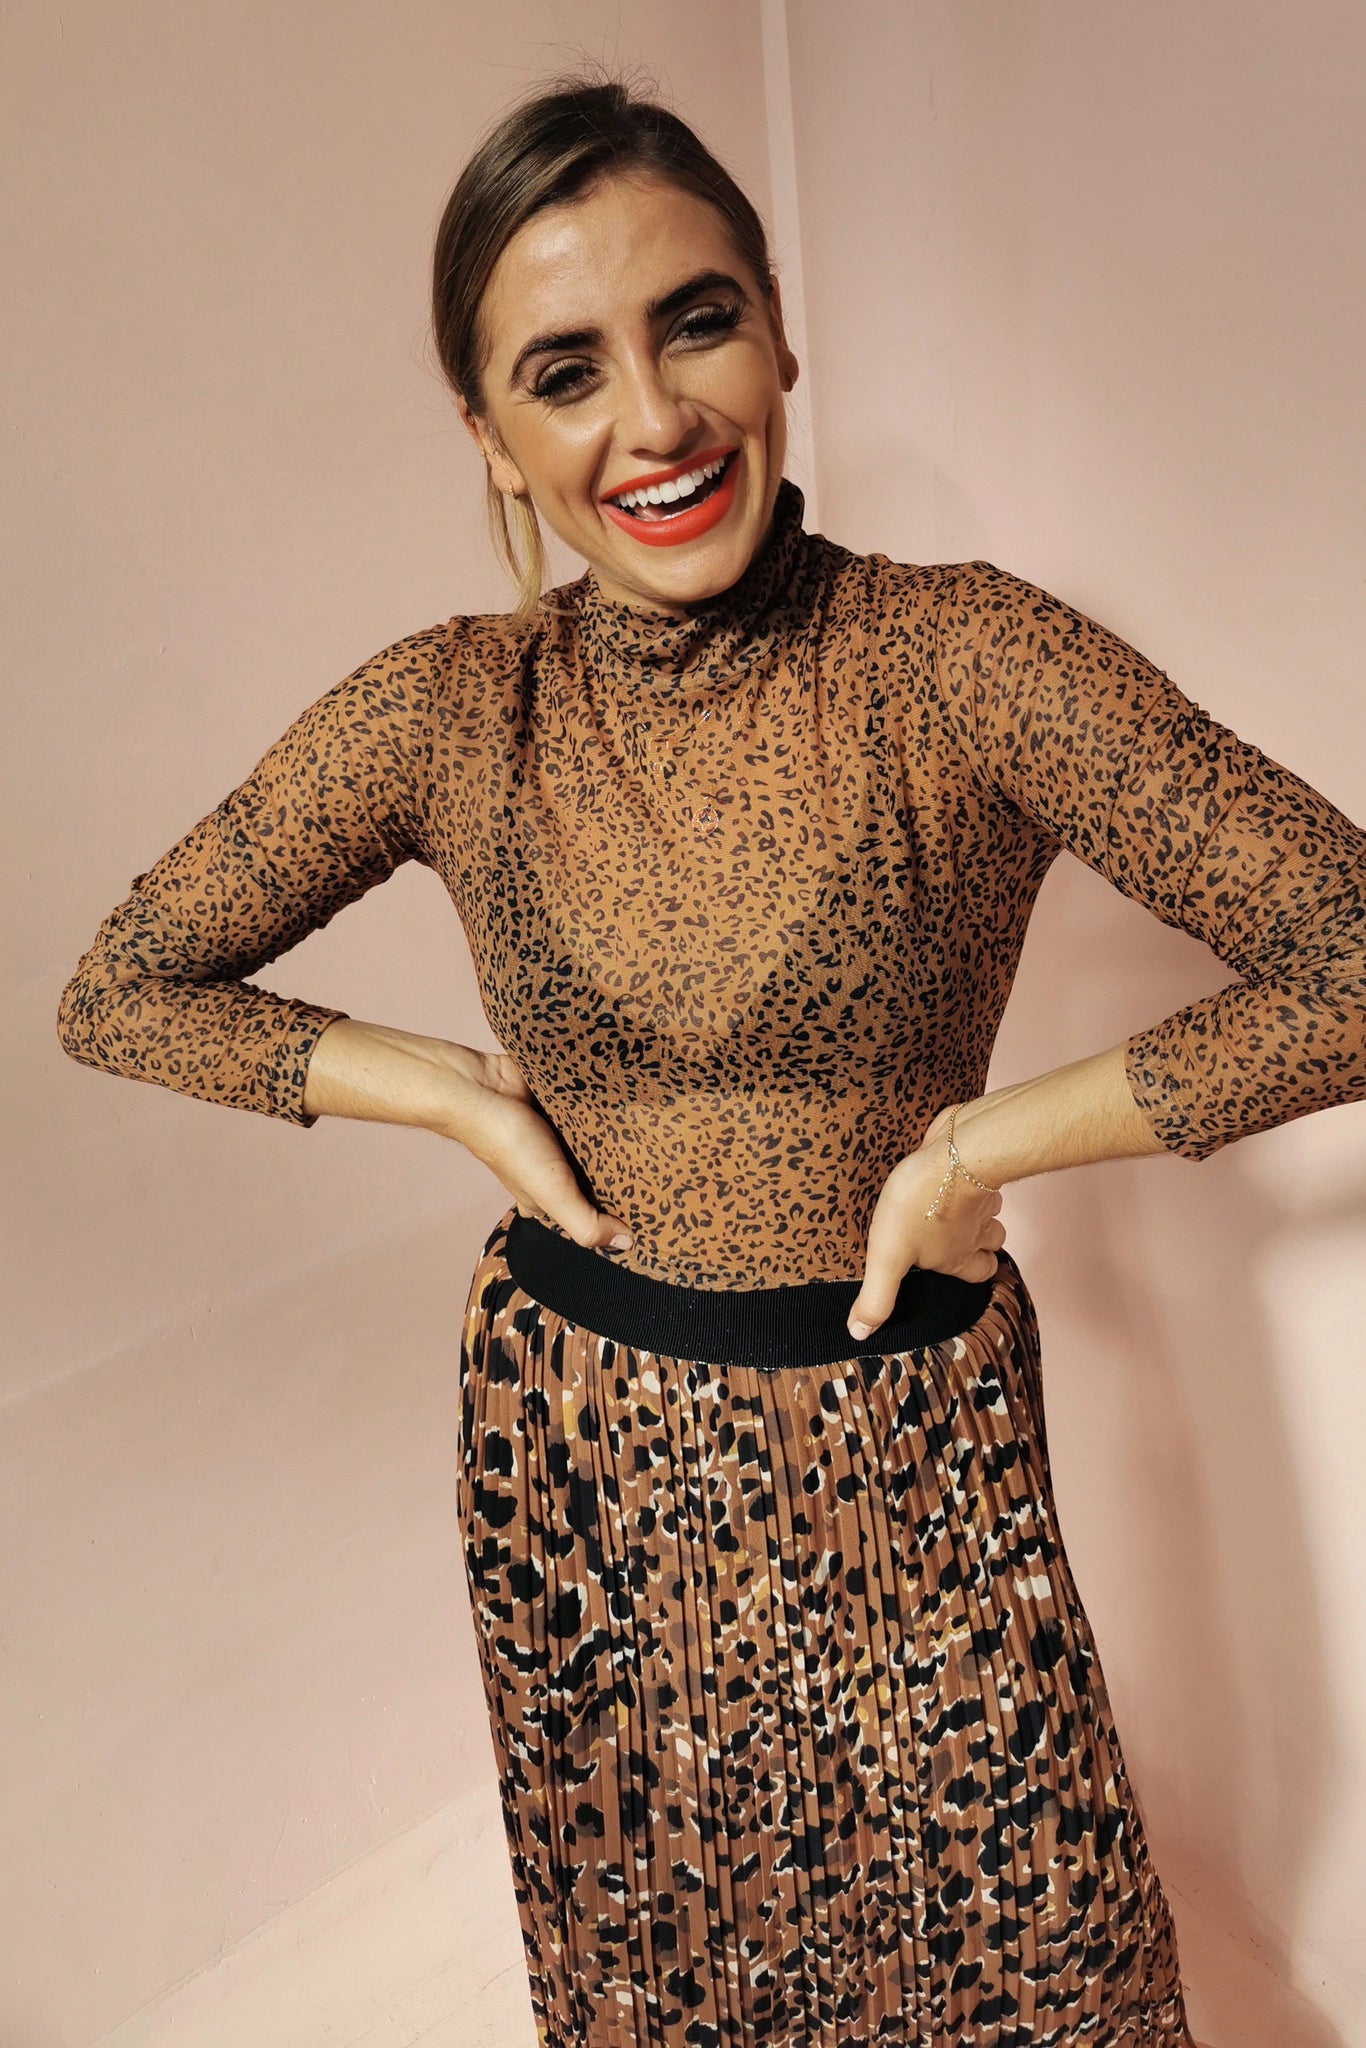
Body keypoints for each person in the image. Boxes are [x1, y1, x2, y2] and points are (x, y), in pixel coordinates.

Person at [55, 70, 1363, 2048]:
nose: (654, 419)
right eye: (563, 372)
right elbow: (123, 985)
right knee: (668, 1967)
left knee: (1033, 1971)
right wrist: (444, 1086)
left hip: (902, 1445)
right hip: (566, 1444)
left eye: (694, 322)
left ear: (777, 333)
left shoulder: (959, 657)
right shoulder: (448, 708)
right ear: (489, 436)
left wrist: (975, 1148)